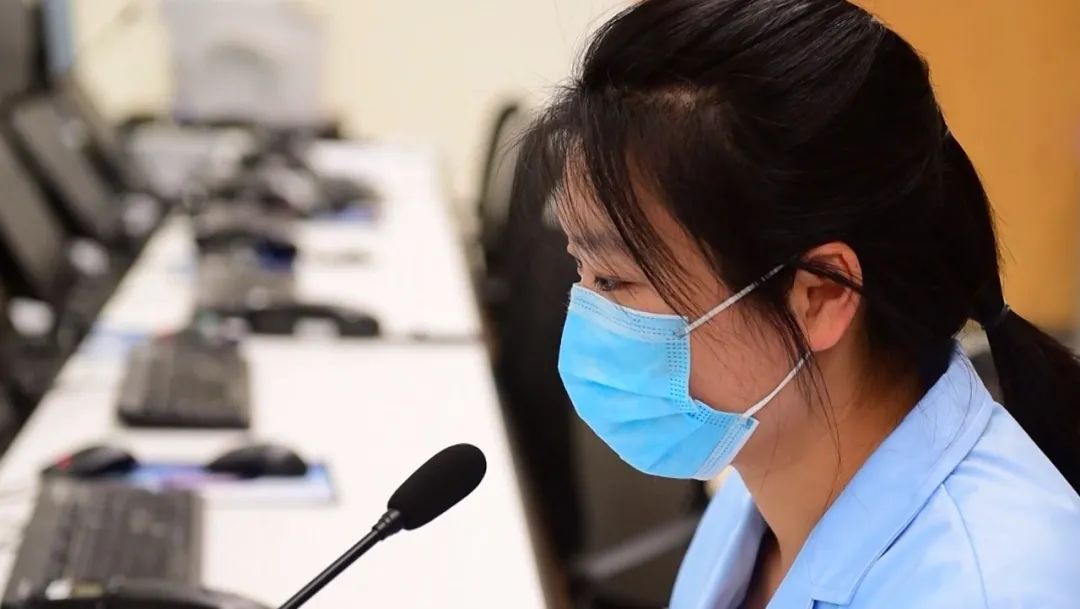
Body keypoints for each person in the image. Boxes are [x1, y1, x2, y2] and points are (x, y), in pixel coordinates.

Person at [516, 0, 1080, 607]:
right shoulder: (768, 474)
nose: (588, 315)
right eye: (582, 269)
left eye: (613, 280)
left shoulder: (987, 589)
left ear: (822, 294)